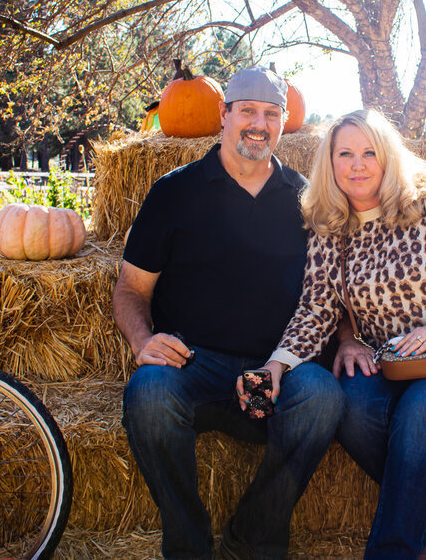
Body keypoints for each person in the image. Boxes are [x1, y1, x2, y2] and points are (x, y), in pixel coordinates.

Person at [249, 109, 426, 559]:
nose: (358, 165)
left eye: (369, 153)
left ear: (387, 157)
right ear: (330, 163)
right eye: (345, 154)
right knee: (350, 409)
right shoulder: (330, 230)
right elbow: (317, 309)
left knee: (418, 414)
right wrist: (275, 365)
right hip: (390, 362)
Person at [115, 66, 345, 560]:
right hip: (193, 366)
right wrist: (142, 341)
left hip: (272, 373)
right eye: (247, 111)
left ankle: (252, 541)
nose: (259, 124)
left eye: (271, 114)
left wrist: (347, 341)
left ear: (283, 121)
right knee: (148, 395)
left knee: (322, 396)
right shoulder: (174, 193)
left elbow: (332, 289)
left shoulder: (306, 200)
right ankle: (188, 547)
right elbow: (131, 289)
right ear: (223, 114)